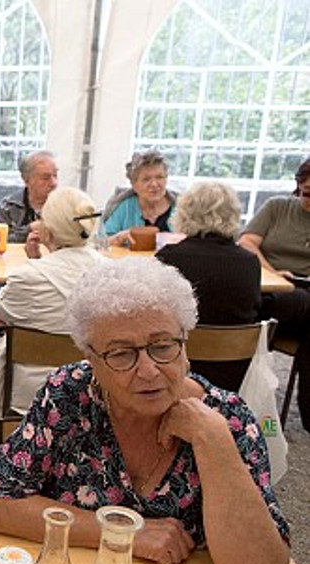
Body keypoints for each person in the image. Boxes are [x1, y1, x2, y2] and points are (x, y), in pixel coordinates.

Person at [0, 257, 290, 564]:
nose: (149, 370)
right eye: (122, 354)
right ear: (91, 360)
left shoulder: (228, 419)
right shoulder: (70, 395)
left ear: (185, 345)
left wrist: (212, 439)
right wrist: (125, 534)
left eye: (163, 346)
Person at [0, 187, 104, 451]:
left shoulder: (29, 276)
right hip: (91, 380)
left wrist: (35, 263)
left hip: (28, 387)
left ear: (47, 231)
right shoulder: (111, 273)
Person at [156, 181, 261, 391]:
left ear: (184, 213)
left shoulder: (168, 257)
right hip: (233, 372)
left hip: (175, 367)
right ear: (233, 215)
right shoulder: (249, 262)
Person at [239, 157, 310, 430]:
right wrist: (274, 272)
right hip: (271, 291)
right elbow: (246, 243)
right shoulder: (277, 208)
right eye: (307, 193)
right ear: (298, 187)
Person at [103, 150, 177, 246]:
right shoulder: (123, 206)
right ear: (134, 184)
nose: (154, 184)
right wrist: (120, 237)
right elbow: (102, 242)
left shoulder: (181, 207)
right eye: (146, 179)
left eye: (159, 177)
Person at [0, 150, 58, 243]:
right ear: (26, 180)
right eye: (45, 178)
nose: (53, 183)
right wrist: (29, 229)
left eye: (55, 175)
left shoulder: (64, 207)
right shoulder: (8, 207)